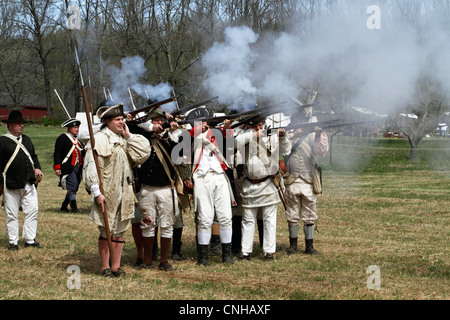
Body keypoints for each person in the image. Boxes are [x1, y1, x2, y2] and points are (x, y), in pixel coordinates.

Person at [83, 103, 151, 277]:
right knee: (106, 229)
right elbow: (91, 167)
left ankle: (116, 267)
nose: (122, 122)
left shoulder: (124, 139)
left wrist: (129, 136)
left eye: (123, 119)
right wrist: (96, 192)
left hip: (125, 192)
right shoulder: (98, 139)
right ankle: (105, 267)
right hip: (107, 192)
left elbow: (143, 153)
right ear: (108, 121)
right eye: (118, 120)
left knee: (120, 229)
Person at [126, 107, 184, 271]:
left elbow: (180, 155)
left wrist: (172, 132)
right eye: (155, 121)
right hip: (147, 188)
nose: (159, 124)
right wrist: (151, 127)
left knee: (166, 225)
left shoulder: (171, 138)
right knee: (147, 224)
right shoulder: (143, 136)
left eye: (161, 121)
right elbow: (133, 126)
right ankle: (147, 261)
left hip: (166, 188)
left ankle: (164, 261)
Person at [234, 115, 291, 261]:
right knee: (248, 220)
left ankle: (269, 252)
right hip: (249, 184)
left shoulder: (271, 135)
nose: (259, 128)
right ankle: (246, 251)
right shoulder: (244, 136)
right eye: (255, 126)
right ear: (249, 127)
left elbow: (286, 150)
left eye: (260, 125)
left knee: (269, 220)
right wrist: (253, 135)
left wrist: (283, 136)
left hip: (268, 184)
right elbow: (235, 142)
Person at [190, 112, 236, 266]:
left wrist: (227, 129)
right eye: (201, 122)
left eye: (206, 122)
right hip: (202, 179)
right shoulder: (189, 136)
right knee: (205, 219)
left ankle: (227, 255)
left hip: (220, 177)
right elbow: (192, 141)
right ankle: (202, 257)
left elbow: (230, 146)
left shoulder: (217, 135)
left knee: (225, 217)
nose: (205, 124)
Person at [283, 109, 329, 255]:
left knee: (310, 214)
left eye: (303, 122)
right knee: (292, 213)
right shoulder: (287, 137)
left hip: (309, 181)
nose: (301, 124)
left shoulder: (314, 135)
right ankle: (293, 245)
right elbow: (283, 149)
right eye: (299, 122)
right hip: (291, 180)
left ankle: (309, 246)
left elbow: (321, 151)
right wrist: (294, 135)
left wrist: (316, 135)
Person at [0, 110, 44, 250]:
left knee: (32, 210)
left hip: (28, 182)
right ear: (10, 125)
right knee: (11, 214)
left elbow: (33, 156)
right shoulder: (2, 141)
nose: (21, 126)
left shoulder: (27, 139)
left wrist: (37, 168)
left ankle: (30, 239)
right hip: (10, 183)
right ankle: (13, 242)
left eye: (22, 123)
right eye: (18, 123)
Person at [53, 118, 85, 213]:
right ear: (69, 128)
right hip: (67, 167)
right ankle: (73, 207)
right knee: (73, 185)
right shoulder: (62, 138)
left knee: (74, 186)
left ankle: (64, 206)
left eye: (77, 127)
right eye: (75, 127)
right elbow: (57, 153)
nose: (77, 129)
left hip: (77, 167)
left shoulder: (78, 139)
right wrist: (57, 167)